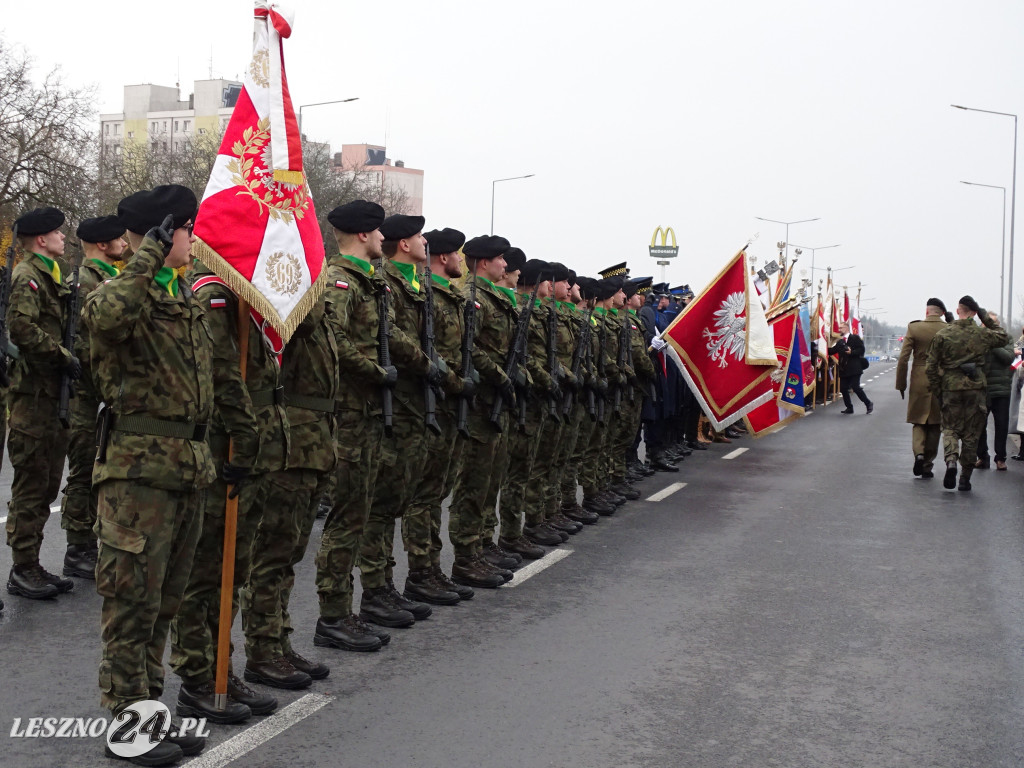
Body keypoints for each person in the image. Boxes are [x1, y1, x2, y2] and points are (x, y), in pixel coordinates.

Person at [83, 185, 211, 764]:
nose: (192, 239)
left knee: (163, 602)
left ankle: (149, 713)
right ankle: (126, 722)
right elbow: (108, 320)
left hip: (185, 467)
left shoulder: (180, 294)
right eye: (185, 229)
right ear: (163, 234)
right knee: (131, 602)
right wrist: (146, 256)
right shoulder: (116, 293)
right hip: (137, 473)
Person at [313, 200, 394, 652]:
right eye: (379, 231)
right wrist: (374, 371)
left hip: (365, 412)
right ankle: (333, 615)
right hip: (348, 413)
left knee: (360, 512)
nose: (384, 238)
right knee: (346, 516)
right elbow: (334, 340)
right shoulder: (340, 282)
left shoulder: (369, 281)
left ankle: (349, 609)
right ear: (363, 235)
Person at [5, 206, 77, 600]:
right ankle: (22, 568)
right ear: (40, 240)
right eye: (57, 233)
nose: (63, 238)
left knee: (48, 483)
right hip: (33, 398)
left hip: (52, 397)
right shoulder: (28, 277)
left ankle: (31, 563)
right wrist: (63, 356)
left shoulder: (52, 278)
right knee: (31, 485)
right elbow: (21, 329)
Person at [60, 216, 127, 581]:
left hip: (100, 389)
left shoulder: (105, 279)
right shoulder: (83, 283)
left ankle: (88, 541)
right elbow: (82, 343)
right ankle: (78, 546)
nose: (122, 242)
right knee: (84, 468)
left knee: (97, 469)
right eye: (117, 238)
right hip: (84, 391)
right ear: (102, 244)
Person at [926, 295, 1010, 491]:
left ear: (958, 311)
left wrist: (938, 388)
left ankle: (951, 460)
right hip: (976, 388)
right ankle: (965, 477)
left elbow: (930, 366)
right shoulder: (982, 334)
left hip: (951, 387)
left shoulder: (944, 335)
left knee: (950, 429)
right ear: (974, 312)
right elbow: (1002, 336)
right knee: (972, 434)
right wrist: (984, 316)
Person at [895, 298, 951, 478]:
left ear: (927, 312)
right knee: (935, 423)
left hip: (919, 377)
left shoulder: (914, 328)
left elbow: (903, 358)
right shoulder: (948, 329)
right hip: (940, 378)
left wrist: (901, 384)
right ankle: (927, 464)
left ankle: (918, 453)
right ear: (942, 312)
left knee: (918, 421)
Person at [974, 311, 1015, 470]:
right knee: (979, 426)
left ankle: (1000, 458)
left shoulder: (1006, 338)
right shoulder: (977, 338)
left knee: (1001, 425)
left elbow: (1008, 358)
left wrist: (993, 344)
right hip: (982, 388)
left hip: (1001, 389)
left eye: (994, 324)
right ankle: (982, 456)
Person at [829, 321, 873, 414]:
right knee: (843, 389)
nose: (839, 329)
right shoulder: (840, 341)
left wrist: (851, 352)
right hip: (844, 369)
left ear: (846, 328)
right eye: (839, 328)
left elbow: (861, 350)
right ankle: (849, 407)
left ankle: (868, 403)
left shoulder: (855, 338)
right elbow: (832, 351)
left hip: (854, 368)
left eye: (841, 328)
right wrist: (819, 347)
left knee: (855, 387)